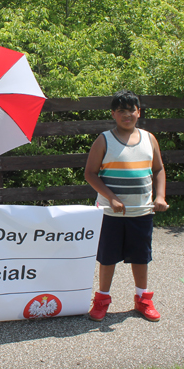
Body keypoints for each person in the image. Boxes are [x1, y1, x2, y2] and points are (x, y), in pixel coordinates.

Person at [84, 90, 168, 322]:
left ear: (138, 112)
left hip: (142, 211)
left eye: (131, 110)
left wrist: (159, 197)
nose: (126, 114)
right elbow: (90, 174)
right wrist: (110, 197)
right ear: (113, 114)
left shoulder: (149, 139)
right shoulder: (104, 139)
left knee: (141, 257)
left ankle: (143, 299)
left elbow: (158, 169)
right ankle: (102, 300)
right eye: (121, 110)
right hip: (110, 213)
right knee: (107, 257)